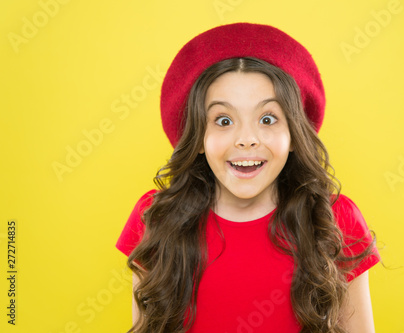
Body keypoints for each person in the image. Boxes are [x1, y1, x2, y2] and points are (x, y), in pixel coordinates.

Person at [115, 22, 380, 333]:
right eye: (224, 120)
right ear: (198, 137)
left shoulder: (335, 219)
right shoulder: (156, 218)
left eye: (267, 118)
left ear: (294, 135)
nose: (246, 139)